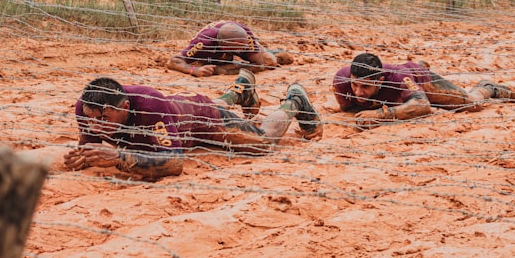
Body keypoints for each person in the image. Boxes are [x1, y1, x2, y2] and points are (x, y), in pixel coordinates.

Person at [62, 73, 321, 180]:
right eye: (91, 119)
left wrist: (119, 157)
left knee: (263, 142)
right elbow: (90, 146)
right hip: (177, 112)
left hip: (200, 119)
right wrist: (84, 156)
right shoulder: (87, 107)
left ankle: (295, 100)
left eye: (104, 120)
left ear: (125, 108)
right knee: (197, 108)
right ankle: (240, 91)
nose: (95, 125)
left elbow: (174, 163)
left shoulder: (149, 107)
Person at [331, 53, 515, 129]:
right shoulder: (341, 81)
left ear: (380, 81)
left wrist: (379, 115)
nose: (357, 92)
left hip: (419, 79)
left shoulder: (398, 77)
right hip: (397, 95)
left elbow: (423, 106)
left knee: (471, 104)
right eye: (355, 85)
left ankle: (488, 87)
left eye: (366, 87)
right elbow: (349, 110)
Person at [166, 20, 292, 77]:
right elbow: (173, 61)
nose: (245, 48)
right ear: (225, 45)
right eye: (241, 47)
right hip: (215, 52)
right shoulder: (203, 43)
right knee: (208, 63)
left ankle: (270, 52)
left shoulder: (245, 35)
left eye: (245, 45)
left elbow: (259, 65)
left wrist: (223, 71)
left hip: (231, 47)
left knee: (270, 61)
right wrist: (194, 70)